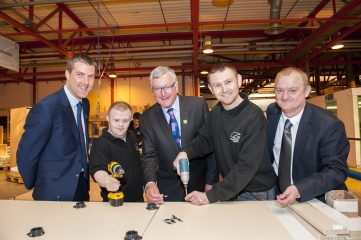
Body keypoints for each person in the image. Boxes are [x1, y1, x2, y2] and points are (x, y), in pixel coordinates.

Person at [173, 63, 277, 205]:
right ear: (210, 89)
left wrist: (209, 196)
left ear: (239, 80)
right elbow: (204, 141)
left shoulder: (254, 117)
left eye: (228, 82)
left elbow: (245, 168)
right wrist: (185, 152)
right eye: (217, 85)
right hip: (233, 189)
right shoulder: (216, 112)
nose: (224, 89)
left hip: (256, 192)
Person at [17, 54, 97, 201]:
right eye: (80, 75)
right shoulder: (47, 108)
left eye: (91, 76)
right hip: (53, 192)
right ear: (67, 74)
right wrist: (41, 184)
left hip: (81, 187)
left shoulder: (85, 105)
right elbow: (26, 154)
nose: (86, 82)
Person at [266, 66, 349, 206]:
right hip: (278, 196)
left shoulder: (329, 125)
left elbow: (336, 170)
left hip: (315, 199)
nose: (285, 97)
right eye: (279, 90)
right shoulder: (272, 112)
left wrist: (299, 189)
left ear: (306, 91)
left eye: (292, 90)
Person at [140, 66, 218, 204]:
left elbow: (211, 146)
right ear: (152, 91)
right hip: (168, 188)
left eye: (167, 87)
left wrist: (210, 182)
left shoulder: (198, 106)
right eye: (157, 89)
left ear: (176, 86)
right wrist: (150, 184)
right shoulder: (147, 118)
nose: (163, 94)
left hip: (199, 184)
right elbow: (149, 157)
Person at [89, 101, 143, 202]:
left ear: (131, 120)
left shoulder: (132, 136)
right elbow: (97, 170)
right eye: (116, 120)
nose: (121, 124)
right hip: (115, 201)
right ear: (108, 119)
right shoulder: (101, 144)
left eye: (125, 120)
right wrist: (106, 181)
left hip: (138, 200)